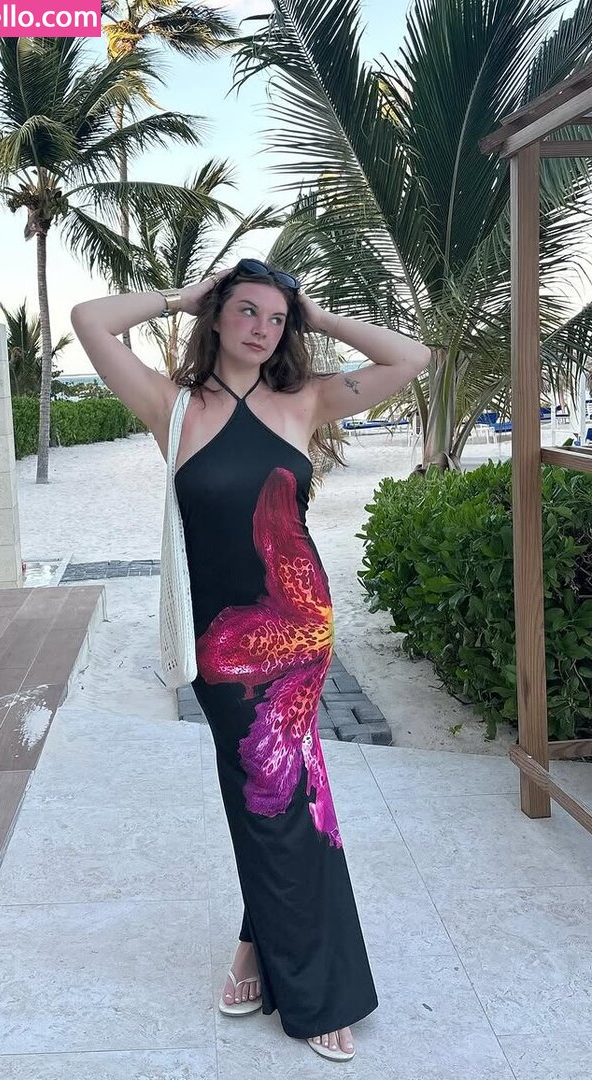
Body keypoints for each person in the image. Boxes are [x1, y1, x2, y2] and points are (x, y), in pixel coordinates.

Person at [71, 259, 430, 1063]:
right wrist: (180, 295)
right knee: (269, 802)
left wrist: (316, 315)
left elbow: (410, 358)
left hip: (299, 631)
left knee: (287, 804)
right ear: (216, 315)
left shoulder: (304, 401)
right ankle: (273, 959)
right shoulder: (171, 406)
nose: (261, 328)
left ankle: (307, 984)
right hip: (222, 647)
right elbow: (91, 318)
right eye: (245, 310)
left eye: (274, 318)